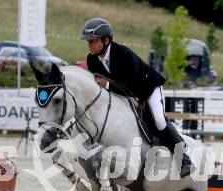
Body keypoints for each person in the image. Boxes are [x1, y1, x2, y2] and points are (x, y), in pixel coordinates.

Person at [81, 18, 192, 177]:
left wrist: (106, 85)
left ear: (106, 40)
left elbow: (132, 86)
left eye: (93, 41)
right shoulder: (92, 59)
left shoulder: (122, 54)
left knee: (159, 121)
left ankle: (184, 159)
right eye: (88, 42)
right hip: (123, 93)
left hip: (147, 88)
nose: (90, 45)